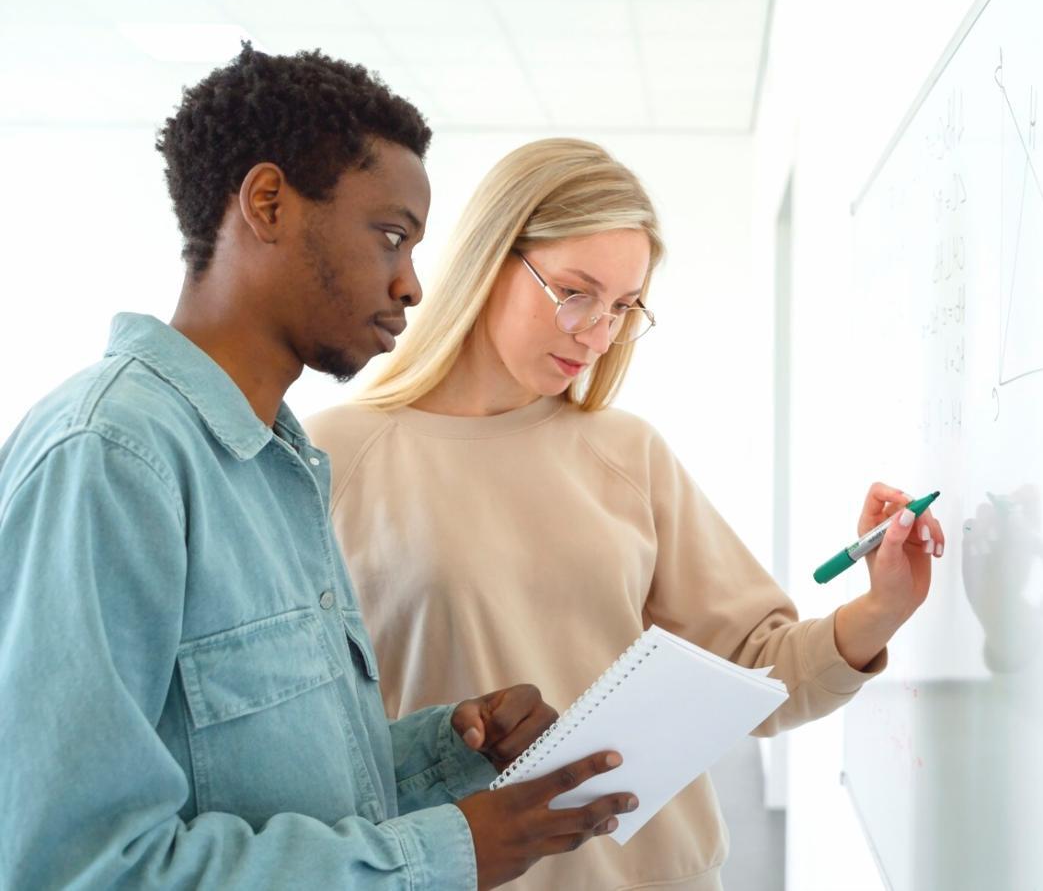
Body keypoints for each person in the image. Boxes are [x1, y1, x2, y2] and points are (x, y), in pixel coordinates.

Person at [0, 47, 635, 890]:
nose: (411, 284)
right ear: (268, 204)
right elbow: (75, 868)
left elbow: (264, 786)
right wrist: (448, 853)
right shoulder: (112, 458)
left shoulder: (283, 462)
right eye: (390, 236)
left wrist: (448, 750)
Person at [306, 137, 948, 890]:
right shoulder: (333, 458)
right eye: (574, 292)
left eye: (622, 307)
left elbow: (754, 672)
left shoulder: (626, 453)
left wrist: (881, 609)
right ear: (491, 258)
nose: (596, 332)